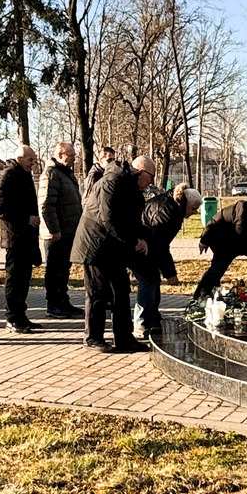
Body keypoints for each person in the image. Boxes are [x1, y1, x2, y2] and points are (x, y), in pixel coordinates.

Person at [73, 151, 147, 353]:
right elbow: (109, 218)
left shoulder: (129, 185)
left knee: (121, 292)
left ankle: (124, 338)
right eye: (150, 177)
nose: (151, 182)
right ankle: (92, 337)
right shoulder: (111, 182)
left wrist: (143, 238)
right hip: (94, 246)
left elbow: (131, 219)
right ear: (141, 172)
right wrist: (133, 241)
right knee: (97, 292)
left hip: (112, 248)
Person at [132, 160, 198, 339]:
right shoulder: (167, 211)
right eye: (193, 209)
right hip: (140, 247)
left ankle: (152, 318)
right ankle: (141, 323)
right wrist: (170, 273)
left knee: (152, 278)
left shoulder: (172, 207)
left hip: (147, 246)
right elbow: (160, 244)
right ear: (185, 203)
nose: (194, 213)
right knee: (148, 280)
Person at [0, 145, 43, 334]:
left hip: (26, 237)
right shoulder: (10, 175)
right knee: (14, 280)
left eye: (34, 160)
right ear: (20, 159)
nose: (33, 163)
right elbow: (0, 207)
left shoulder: (24, 175)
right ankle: (12, 318)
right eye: (30, 160)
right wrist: (26, 218)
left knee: (24, 280)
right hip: (15, 237)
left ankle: (21, 316)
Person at [40, 141, 83, 318]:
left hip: (67, 232)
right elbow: (46, 205)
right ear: (59, 155)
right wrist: (54, 230)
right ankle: (53, 305)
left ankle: (63, 302)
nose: (73, 159)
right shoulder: (51, 174)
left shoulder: (65, 173)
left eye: (74, 156)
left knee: (63, 270)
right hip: (56, 234)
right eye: (70, 156)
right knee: (54, 270)